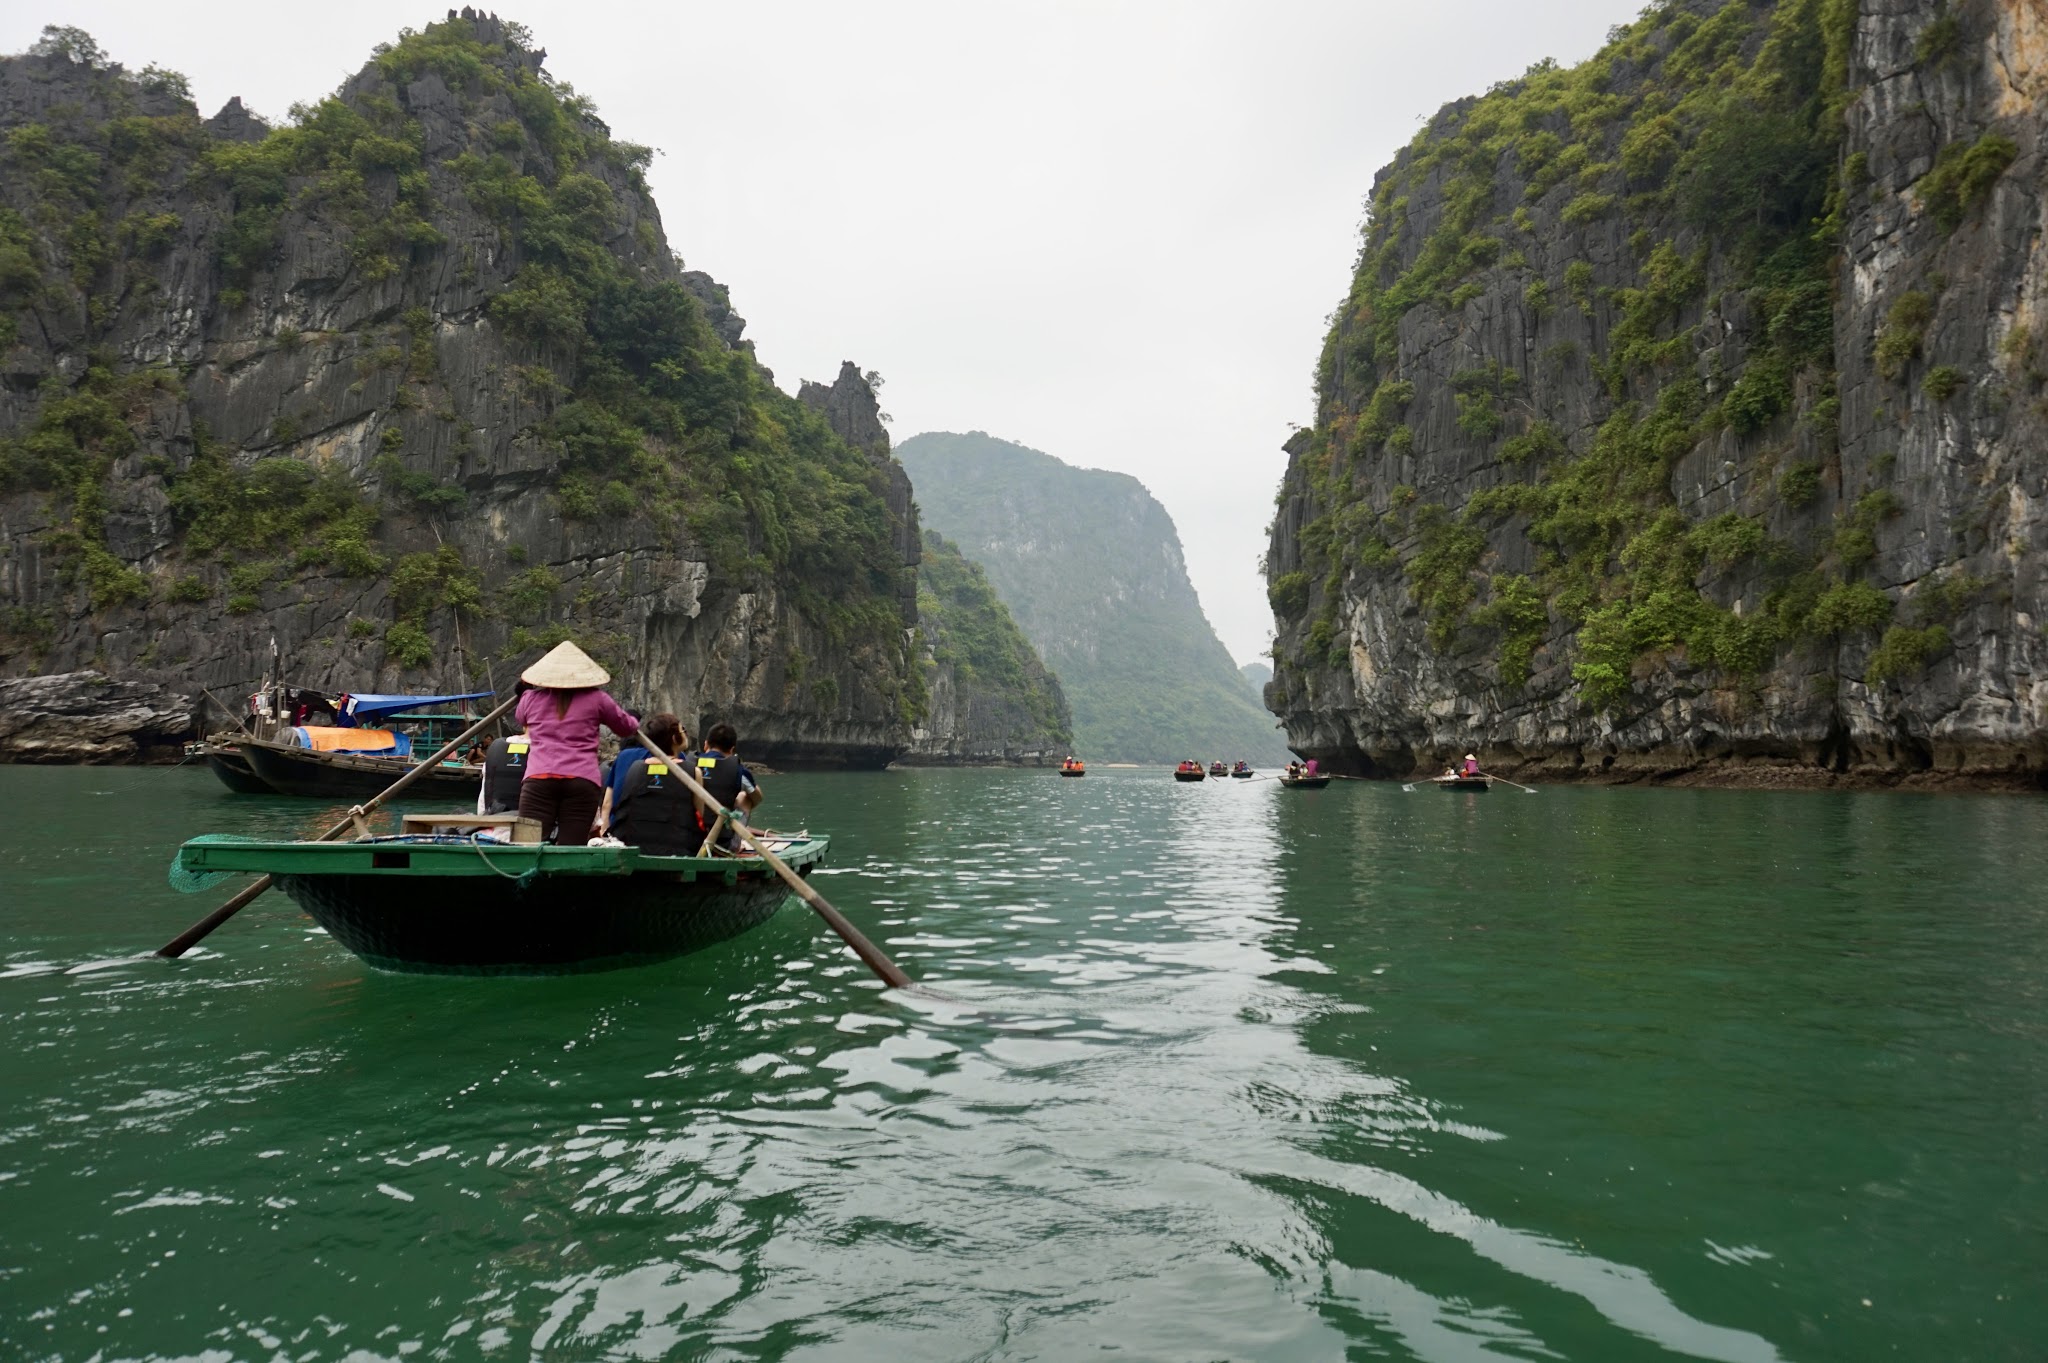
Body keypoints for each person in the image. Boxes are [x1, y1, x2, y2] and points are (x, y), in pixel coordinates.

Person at [513, 641, 639, 845]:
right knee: (571, 846)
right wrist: (634, 721)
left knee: (527, 845)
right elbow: (627, 728)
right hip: (581, 780)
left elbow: (521, 718)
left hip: (540, 778)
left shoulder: (530, 699)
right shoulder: (598, 699)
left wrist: (524, 690)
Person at [599, 712, 685, 834]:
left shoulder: (624, 756)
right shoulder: (680, 762)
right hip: (662, 832)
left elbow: (607, 803)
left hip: (619, 829)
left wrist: (604, 831)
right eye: (683, 730)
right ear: (674, 739)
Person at [477, 685, 534, 816]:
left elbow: (482, 804)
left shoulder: (498, 747)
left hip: (494, 821)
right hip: (536, 823)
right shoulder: (552, 751)